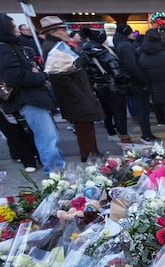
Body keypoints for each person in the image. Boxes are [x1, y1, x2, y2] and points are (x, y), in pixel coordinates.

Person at [0, 13, 64, 173]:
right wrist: (40, 75)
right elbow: (14, 77)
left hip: (28, 98)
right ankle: (55, 175)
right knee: (47, 138)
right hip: (28, 99)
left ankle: (56, 173)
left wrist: (34, 71)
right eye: (12, 26)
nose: (16, 30)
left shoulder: (7, 46)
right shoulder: (4, 48)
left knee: (47, 137)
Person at [40, 16, 105, 162]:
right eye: (63, 29)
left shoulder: (57, 45)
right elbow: (60, 75)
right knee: (83, 126)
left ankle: (92, 152)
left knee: (86, 125)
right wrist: (79, 94)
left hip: (77, 91)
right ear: (54, 31)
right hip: (74, 94)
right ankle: (89, 155)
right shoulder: (53, 47)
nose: (66, 32)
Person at [79, 27, 132, 144]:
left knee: (106, 111)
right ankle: (124, 137)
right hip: (114, 88)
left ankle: (111, 132)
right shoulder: (106, 55)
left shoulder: (85, 53)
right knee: (120, 114)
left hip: (99, 87)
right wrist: (126, 79)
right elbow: (118, 75)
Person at [113, 24, 156, 143]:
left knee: (142, 108)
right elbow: (132, 66)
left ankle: (146, 134)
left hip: (133, 81)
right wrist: (144, 81)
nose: (134, 35)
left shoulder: (121, 45)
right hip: (136, 82)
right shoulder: (126, 46)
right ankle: (146, 134)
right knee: (143, 109)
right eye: (131, 33)